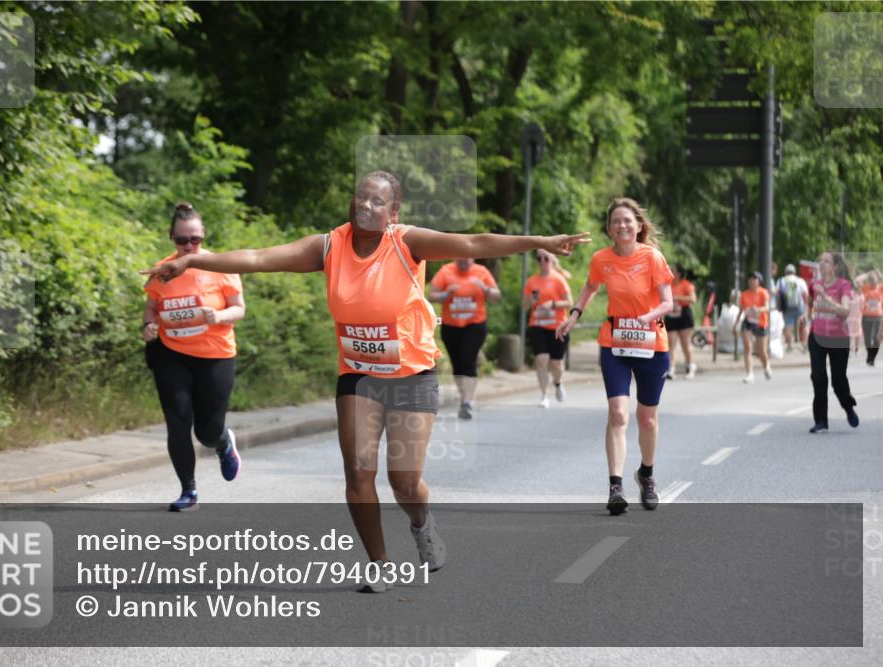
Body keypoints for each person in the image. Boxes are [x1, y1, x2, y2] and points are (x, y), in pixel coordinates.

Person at [142, 171, 589, 590]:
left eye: (378, 201)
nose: (366, 205)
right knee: (358, 472)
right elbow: (259, 258)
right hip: (358, 374)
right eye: (361, 197)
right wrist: (195, 261)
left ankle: (421, 524)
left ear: (394, 212)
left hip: (411, 374)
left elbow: (472, 241)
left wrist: (539, 241)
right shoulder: (329, 246)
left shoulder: (407, 242)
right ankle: (379, 562)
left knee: (404, 482)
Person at [556, 197, 673, 516]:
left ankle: (646, 474)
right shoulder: (601, 259)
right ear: (609, 229)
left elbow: (668, 302)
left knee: (647, 418)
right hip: (615, 342)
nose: (622, 225)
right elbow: (590, 287)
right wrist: (574, 315)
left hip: (651, 344)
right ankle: (615, 486)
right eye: (616, 221)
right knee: (618, 414)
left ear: (638, 226)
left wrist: (648, 316)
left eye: (627, 220)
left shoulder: (652, 257)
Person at [143, 202, 245, 512]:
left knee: (207, 432)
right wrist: (148, 325)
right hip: (172, 354)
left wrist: (218, 315)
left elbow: (239, 308)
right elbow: (151, 308)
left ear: (203, 237)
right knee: (177, 421)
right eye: (182, 240)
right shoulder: (163, 269)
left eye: (195, 240)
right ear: (171, 237)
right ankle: (188, 491)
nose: (189, 246)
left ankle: (223, 442)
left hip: (215, 355)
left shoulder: (221, 266)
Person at [429, 258, 500, 419]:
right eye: (460, 260)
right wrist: (446, 294)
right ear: (456, 258)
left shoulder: (481, 272)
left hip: (475, 325)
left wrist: (485, 289)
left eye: (467, 260)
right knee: (458, 365)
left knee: (468, 360)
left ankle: (467, 402)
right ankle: (464, 398)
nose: (464, 263)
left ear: (472, 258)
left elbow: (496, 295)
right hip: (451, 326)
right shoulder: (446, 271)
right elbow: (431, 295)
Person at [807, 251, 859, 433]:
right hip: (817, 336)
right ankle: (821, 421)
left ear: (835, 267)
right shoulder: (814, 285)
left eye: (827, 261)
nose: (822, 263)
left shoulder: (843, 285)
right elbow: (809, 303)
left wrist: (825, 297)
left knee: (838, 381)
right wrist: (805, 316)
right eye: (820, 260)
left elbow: (845, 311)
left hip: (838, 339)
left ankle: (848, 407)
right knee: (818, 377)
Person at [523, 250, 573, 407]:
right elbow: (524, 305)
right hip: (537, 325)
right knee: (541, 359)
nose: (543, 261)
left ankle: (558, 383)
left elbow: (570, 302)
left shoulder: (559, 279)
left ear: (551, 260)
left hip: (557, 326)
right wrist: (531, 300)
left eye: (546, 258)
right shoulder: (532, 281)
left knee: (556, 364)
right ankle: (544, 395)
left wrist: (552, 304)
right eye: (539, 258)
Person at [734, 271, 772, 383]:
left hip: (761, 323)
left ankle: (766, 366)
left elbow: (767, 307)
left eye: (754, 279)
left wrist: (758, 309)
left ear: (759, 281)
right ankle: (750, 374)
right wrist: (735, 324)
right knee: (748, 347)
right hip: (748, 322)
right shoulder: (744, 294)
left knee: (761, 351)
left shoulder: (763, 292)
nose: (752, 281)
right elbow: (741, 311)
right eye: (750, 279)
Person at [664, 263, 697, 380]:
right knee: (670, 343)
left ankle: (690, 366)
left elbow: (693, 299)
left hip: (684, 314)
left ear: (678, 273)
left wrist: (677, 298)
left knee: (685, 343)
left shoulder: (686, 285)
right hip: (671, 315)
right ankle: (671, 368)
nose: (670, 272)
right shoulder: (667, 284)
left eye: (672, 270)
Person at [778, 263, 809, 352]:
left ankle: (789, 346)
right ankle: (804, 345)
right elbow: (805, 294)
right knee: (804, 324)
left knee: (788, 326)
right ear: (794, 272)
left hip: (787, 307)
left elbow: (777, 293)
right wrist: (806, 307)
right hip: (799, 306)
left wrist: (778, 307)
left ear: (785, 272)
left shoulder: (781, 280)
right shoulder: (800, 280)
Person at [855, 269, 882, 366]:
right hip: (866, 316)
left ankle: (872, 358)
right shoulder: (865, 288)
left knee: (876, 338)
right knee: (867, 339)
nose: (872, 280)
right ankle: (870, 355)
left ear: (877, 279)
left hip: (878, 316)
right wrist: (867, 274)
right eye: (870, 279)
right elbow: (857, 280)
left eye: (873, 278)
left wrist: (879, 275)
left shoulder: (881, 288)